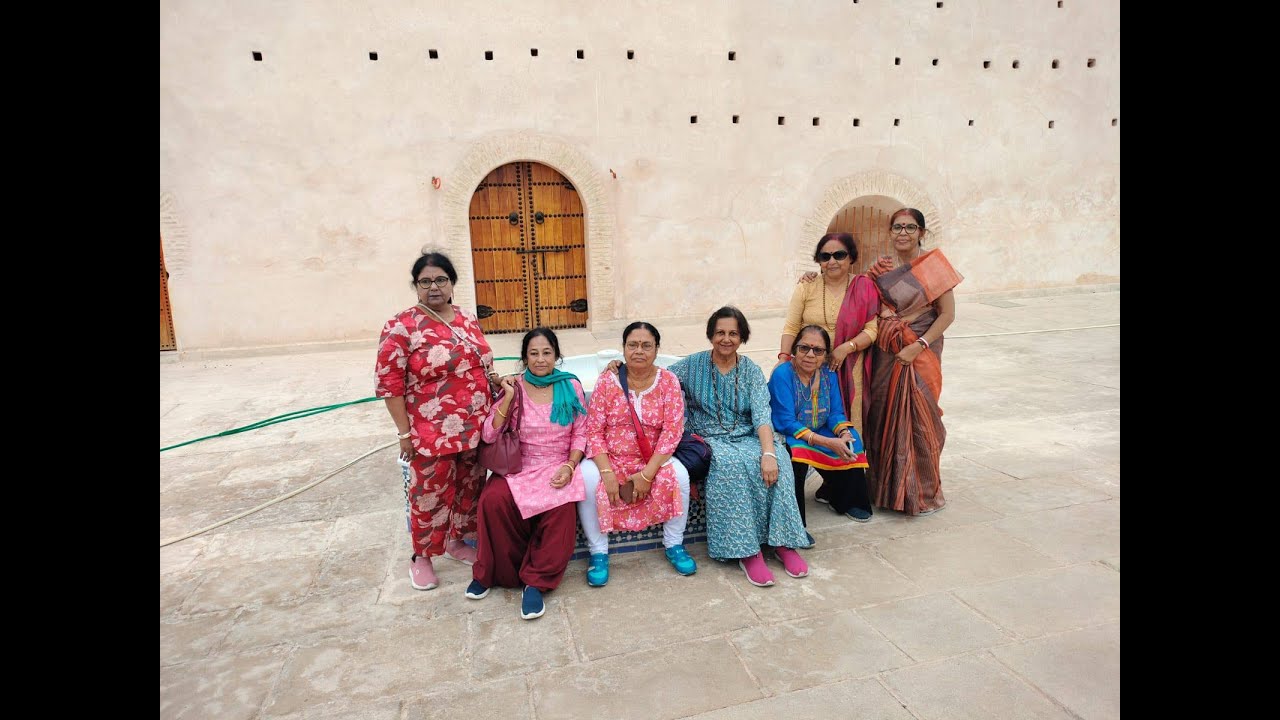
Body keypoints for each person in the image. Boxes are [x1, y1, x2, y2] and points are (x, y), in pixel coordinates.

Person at [375, 250, 494, 591]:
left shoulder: (467, 319)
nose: (434, 287)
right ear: (416, 287)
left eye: (441, 280)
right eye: (425, 282)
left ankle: (457, 542)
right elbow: (389, 383)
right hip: (430, 432)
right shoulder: (401, 326)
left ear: (452, 283)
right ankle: (422, 556)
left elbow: (480, 362)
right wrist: (403, 433)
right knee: (429, 492)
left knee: (470, 487)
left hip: (474, 426)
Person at [668, 307, 809, 588]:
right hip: (710, 438)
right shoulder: (691, 365)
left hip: (747, 434)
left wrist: (768, 453)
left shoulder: (751, 371)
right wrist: (618, 368)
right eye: (720, 332)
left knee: (779, 457)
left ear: (742, 336)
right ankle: (747, 550)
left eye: (733, 333)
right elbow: (656, 377)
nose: (726, 339)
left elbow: (761, 416)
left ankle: (782, 543)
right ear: (711, 335)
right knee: (730, 464)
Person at [467, 328, 588, 620]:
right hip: (520, 466)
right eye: (533, 353)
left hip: (558, 463)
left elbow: (581, 433)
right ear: (524, 357)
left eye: (547, 352)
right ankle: (492, 573)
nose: (540, 359)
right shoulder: (515, 387)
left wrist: (570, 466)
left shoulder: (571, 386)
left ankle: (536, 582)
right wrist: (507, 398)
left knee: (561, 510)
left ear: (557, 356)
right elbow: (488, 432)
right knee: (493, 500)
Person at [577, 322, 697, 586]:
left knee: (680, 477)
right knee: (586, 481)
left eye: (646, 345)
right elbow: (594, 430)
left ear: (656, 350)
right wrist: (606, 471)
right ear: (623, 349)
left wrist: (647, 473)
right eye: (632, 345)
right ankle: (598, 552)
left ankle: (674, 544)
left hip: (653, 457)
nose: (639, 351)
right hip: (611, 456)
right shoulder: (608, 381)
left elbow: (672, 431)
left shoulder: (668, 381)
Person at [864, 209, 962, 516]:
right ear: (890, 232)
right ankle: (885, 491)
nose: (903, 232)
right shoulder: (881, 268)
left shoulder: (933, 266)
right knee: (881, 416)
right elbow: (862, 298)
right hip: (886, 354)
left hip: (920, 353)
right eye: (897, 227)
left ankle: (923, 493)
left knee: (922, 417)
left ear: (921, 232)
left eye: (910, 227)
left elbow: (946, 314)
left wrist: (917, 346)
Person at [781, 233, 880, 530]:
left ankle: (839, 489)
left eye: (839, 255)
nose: (832, 261)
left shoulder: (863, 286)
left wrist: (844, 348)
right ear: (818, 260)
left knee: (848, 423)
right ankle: (826, 485)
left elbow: (872, 328)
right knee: (803, 420)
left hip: (847, 367)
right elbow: (791, 326)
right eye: (825, 256)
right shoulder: (807, 286)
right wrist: (786, 359)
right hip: (805, 364)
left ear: (851, 257)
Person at [768, 325, 874, 531]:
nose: (810, 355)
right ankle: (795, 522)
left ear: (825, 355)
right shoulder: (782, 374)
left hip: (821, 428)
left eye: (818, 350)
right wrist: (826, 441)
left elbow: (835, 412)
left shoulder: (828, 374)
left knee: (853, 440)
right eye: (804, 348)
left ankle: (844, 500)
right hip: (789, 433)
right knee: (796, 455)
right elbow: (786, 420)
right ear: (794, 350)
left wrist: (842, 433)